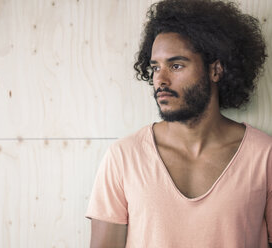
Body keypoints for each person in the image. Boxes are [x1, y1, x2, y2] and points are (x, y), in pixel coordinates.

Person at [85, 0, 272, 247]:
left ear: (215, 70)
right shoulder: (124, 157)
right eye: (155, 68)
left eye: (176, 65)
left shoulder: (264, 155)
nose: (160, 79)